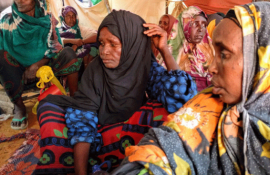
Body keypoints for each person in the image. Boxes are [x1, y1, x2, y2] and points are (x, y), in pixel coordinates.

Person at [110, 2, 270, 175]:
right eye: (195, 24)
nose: (211, 68)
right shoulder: (209, 108)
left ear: (267, 61)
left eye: (224, 54)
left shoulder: (205, 52)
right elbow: (174, 141)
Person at [35, 10, 197, 175]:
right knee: (49, 113)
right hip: (97, 132)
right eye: (102, 43)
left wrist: (163, 49)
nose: (104, 51)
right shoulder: (96, 70)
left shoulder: (142, 66)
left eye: (113, 44)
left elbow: (182, 97)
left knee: (167, 112)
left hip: (131, 133)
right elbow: (83, 116)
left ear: (131, 44)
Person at [0, 0, 82, 130]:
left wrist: (36, 65)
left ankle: (74, 98)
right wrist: (25, 68)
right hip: (17, 72)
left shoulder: (47, 20)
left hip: (46, 66)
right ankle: (19, 107)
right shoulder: (6, 21)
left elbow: (56, 48)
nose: (19, 0)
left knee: (68, 53)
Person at [168, 6, 214, 92]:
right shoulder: (169, 54)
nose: (201, 29)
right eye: (195, 24)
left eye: (204, 25)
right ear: (184, 25)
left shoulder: (209, 53)